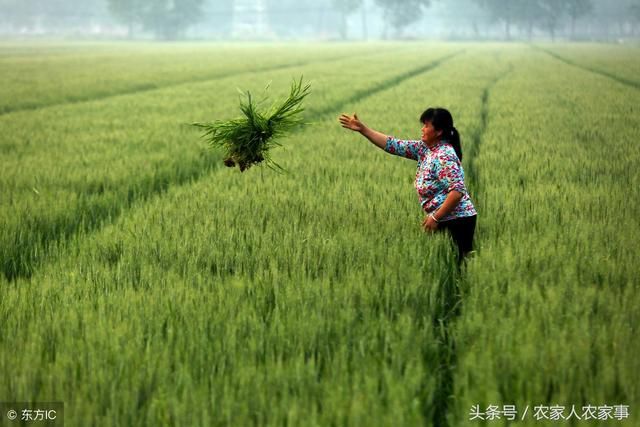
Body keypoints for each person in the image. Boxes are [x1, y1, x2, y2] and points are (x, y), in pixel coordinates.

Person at [338, 108, 477, 261]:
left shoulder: (444, 155)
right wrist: (363, 129)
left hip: (457, 221)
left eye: (426, 126)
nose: (422, 129)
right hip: (444, 217)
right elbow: (393, 145)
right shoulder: (425, 149)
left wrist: (436, 218)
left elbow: (457, 192)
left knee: (458, 265)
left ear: (438, 132)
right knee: (446, 263)